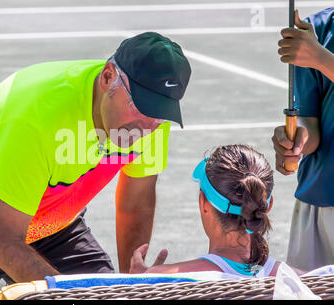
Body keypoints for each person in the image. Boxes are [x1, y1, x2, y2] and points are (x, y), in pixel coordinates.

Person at [0, 32, 192, 299]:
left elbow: (136, 203)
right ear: (108, 77)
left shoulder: (152, 120)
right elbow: (0, 240)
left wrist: (131, 282)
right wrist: (67, 299)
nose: (146, 127)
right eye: (140, 107)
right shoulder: (37, 115)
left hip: (48, 219)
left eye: (159, 116)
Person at [129, 144, 306, 277]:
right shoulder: (302, 281)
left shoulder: (162, 279)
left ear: (203, 202)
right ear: (268, 205)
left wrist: (137, 284)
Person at [272, 8, 334, 271]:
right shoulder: (317, 29)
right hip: (320, 199)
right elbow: (310, 121)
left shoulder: (314, 47)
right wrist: (297, 141)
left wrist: (321, 59)